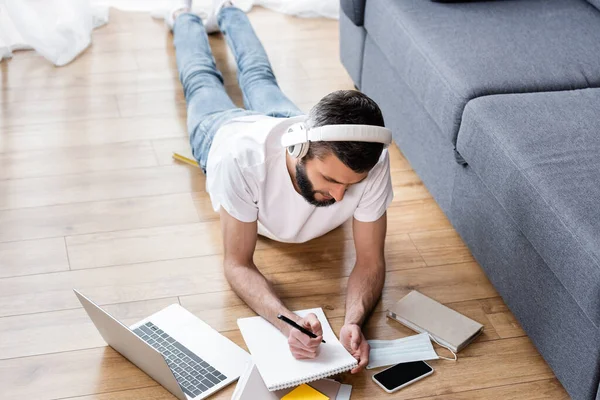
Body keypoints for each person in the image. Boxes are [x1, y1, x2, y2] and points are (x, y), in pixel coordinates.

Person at [159, 0, 394, 373]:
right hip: (222, 130)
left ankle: (228, 9)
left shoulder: (368, 162)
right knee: (201, 78)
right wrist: (285, 320)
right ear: (299, 148)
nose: (339, 198)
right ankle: (183, 16)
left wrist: (353, 321)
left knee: (258, 75)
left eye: (352, 185)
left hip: (282, 121)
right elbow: (237, 264)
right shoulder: (240, 161)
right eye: (331, 180)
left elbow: (370, 261)